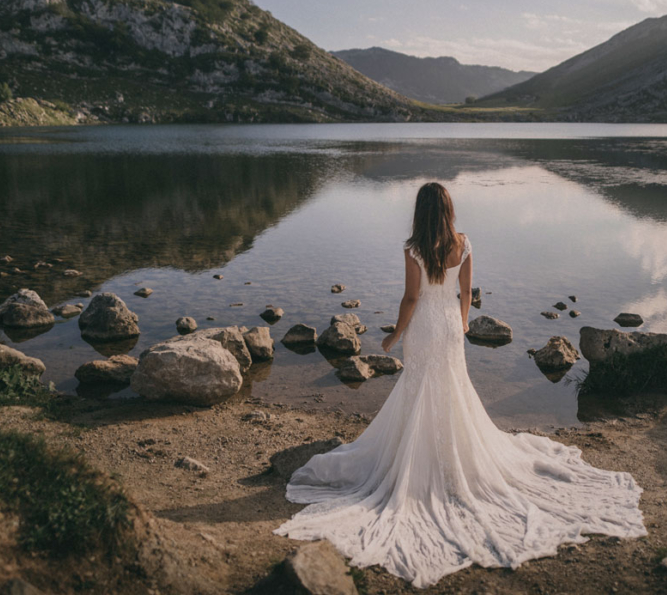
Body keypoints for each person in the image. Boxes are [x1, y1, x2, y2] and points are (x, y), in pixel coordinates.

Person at [274, 182, 646, 588]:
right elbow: (466, 292)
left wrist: (394, 335)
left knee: (420, 390)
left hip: (424, 327)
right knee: (451, 390)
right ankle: (447, 459)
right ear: (449, 210)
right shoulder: (464, 244)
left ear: (420, 211)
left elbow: (411, 299)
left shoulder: (413, 248)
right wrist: (464, 322)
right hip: (449, 326)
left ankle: (416, 461)